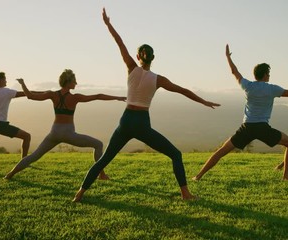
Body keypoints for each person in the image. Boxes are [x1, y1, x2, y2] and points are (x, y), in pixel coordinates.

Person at [72, 8, 220, 202]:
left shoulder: (132, 68)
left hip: (126, 120)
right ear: (152, 57)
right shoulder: (156, 78)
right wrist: (203, 101)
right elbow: (183, 90)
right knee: (175, 154)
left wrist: (108, 24)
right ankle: (185, 194)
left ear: (138, 56)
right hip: (140, 122)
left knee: (105, 159)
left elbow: (120, 43)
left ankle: (79, 195)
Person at [192, 45, 288, 182]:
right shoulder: (272, 89)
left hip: (247, 127)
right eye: (268, 74)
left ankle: (198, 176)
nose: (269, 76)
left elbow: (234, 72)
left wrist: (228, 57)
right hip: (262, 127)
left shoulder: (248, 86)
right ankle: (286, 176)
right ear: (265, 75)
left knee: (222, 150)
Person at [4, 69, 126, 180]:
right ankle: (102, 174)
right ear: (68, 82)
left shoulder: (52, 94)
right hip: (68, 133)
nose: (76, 83)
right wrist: (118, 97)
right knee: (98, 144)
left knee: (34, 156)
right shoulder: (75, 97)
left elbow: (30, 96)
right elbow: (98, 96)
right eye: (74, 81)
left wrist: (22, 84)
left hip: (54, 132)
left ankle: (10, 174)